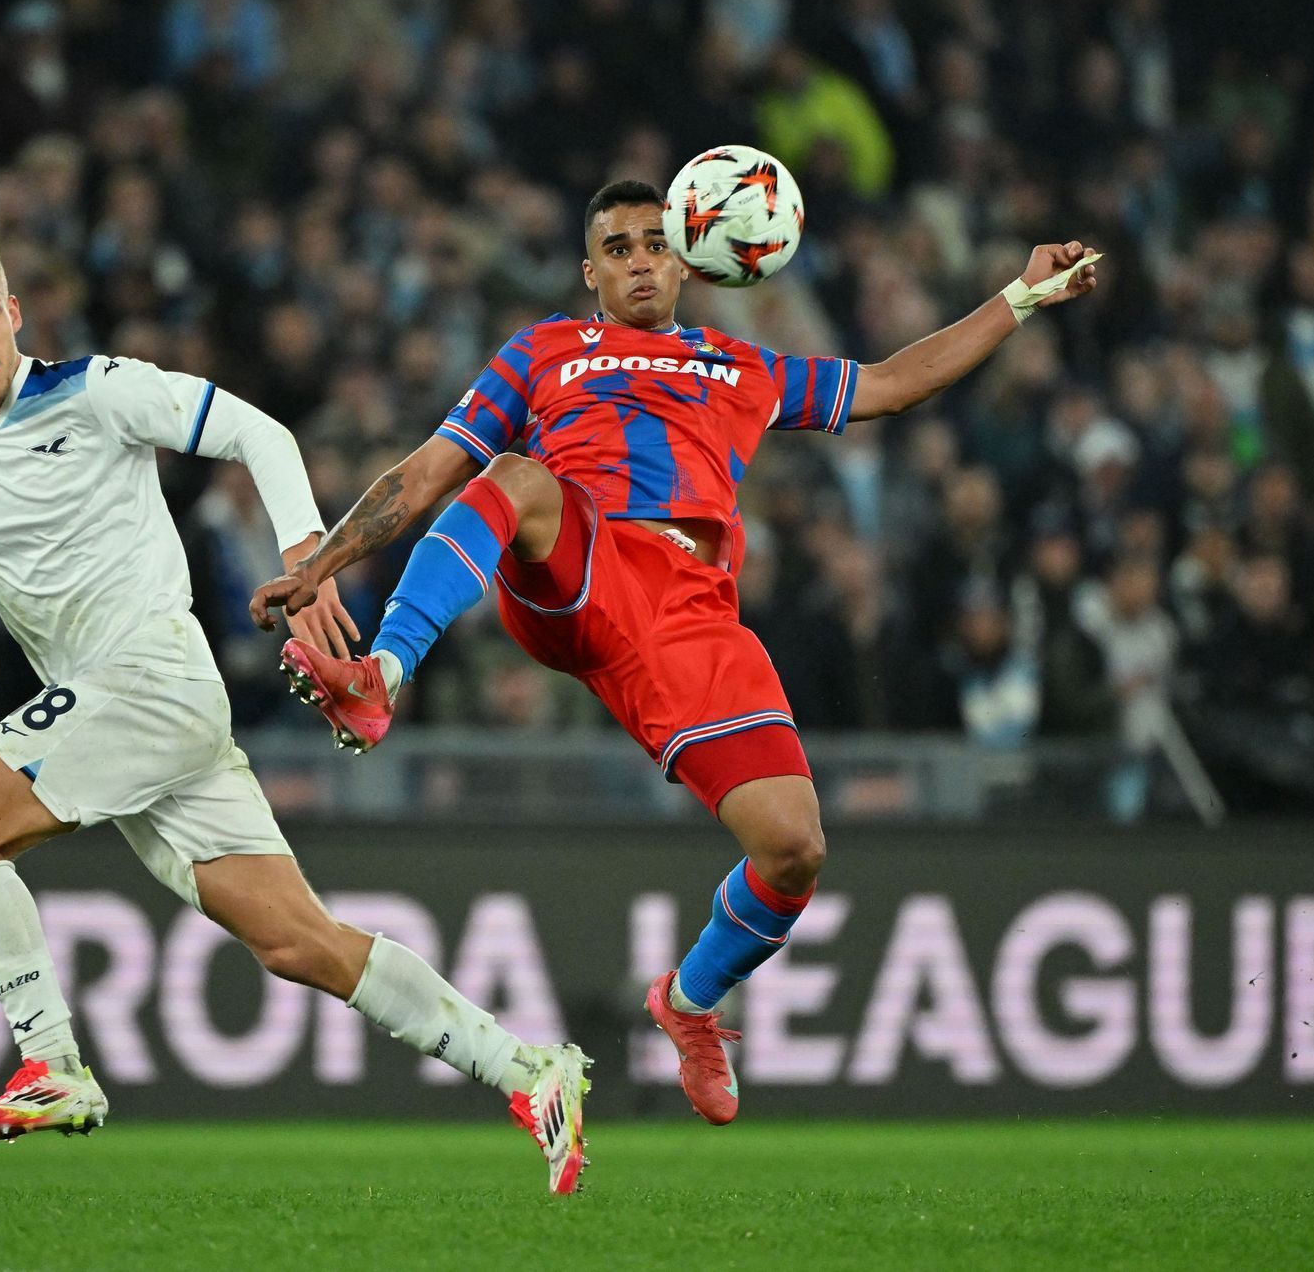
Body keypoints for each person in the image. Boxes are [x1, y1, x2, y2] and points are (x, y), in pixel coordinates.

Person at [252, 179, 1098, 1126]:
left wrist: (1020, 296)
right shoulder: (541, 351)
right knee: (514, 475)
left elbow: (895, 382)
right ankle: (382, 675)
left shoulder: (742, 368)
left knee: (793, 850)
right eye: (616, 249)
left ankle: (689, 1003)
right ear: (590, 273)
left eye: (655, 243)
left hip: (691, 613)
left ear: (687, 258)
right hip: (579, 560)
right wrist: (318, 565)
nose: (640, 262)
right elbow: (422, 477)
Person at [0, 238, 589, 1193]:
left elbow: (263, 435)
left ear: (15, 312)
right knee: (299, 942)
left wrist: (306, 562)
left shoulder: (96, 390)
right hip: (119, 709)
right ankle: (530, 1071)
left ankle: (52, 1063)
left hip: (148, 678)